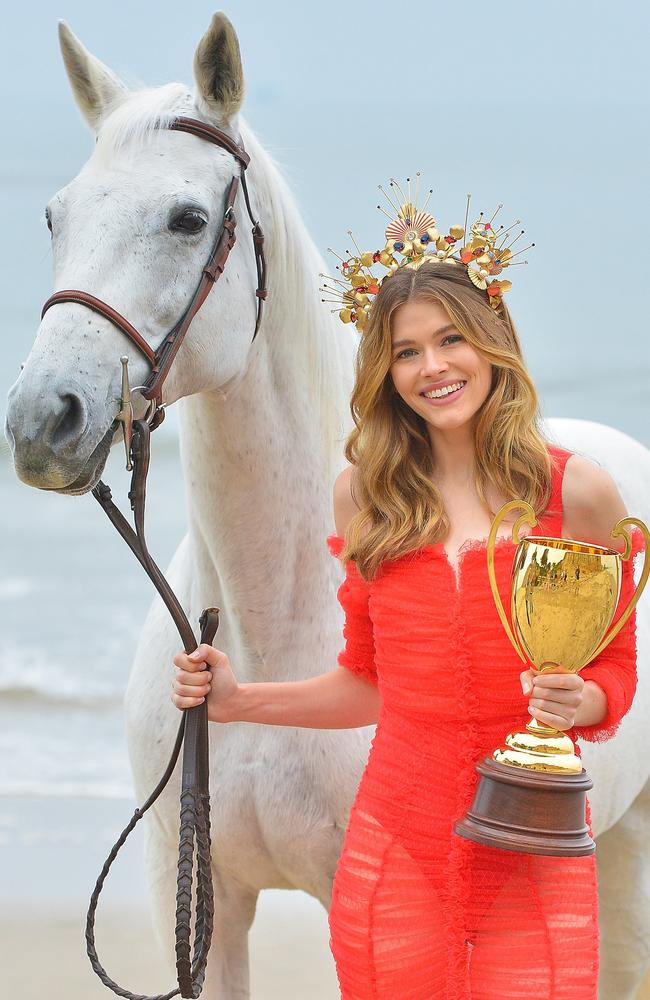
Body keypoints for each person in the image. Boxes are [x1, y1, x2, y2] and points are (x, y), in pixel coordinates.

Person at [171, 201, 639, 998]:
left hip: (534, 848)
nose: (434, 367)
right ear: (385, 373)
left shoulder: (577, 491)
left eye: (451, 339)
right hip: (395, 853)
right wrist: (240, 698)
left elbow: (618, 666)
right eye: (406, 351)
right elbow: (368, 683)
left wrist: (587, 696)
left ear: (493, 342)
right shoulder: (366, 501)